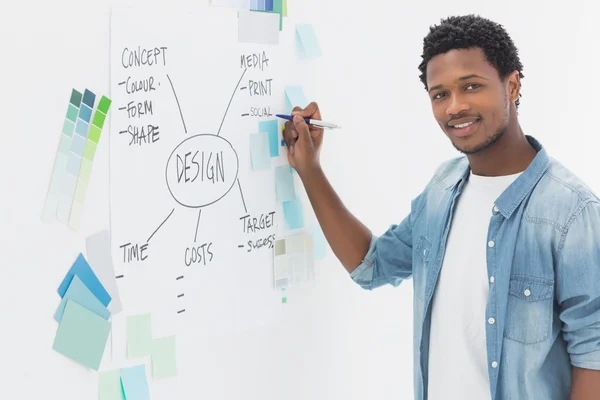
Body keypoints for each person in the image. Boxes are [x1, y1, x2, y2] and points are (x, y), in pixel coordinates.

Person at [282, 14, 600, 400]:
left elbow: (593, 357)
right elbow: (371, 264)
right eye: (440, 94)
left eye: (471, 86)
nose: (455, 106)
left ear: (512, 85)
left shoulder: (571, 211)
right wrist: (311, 171)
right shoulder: (442, 190)